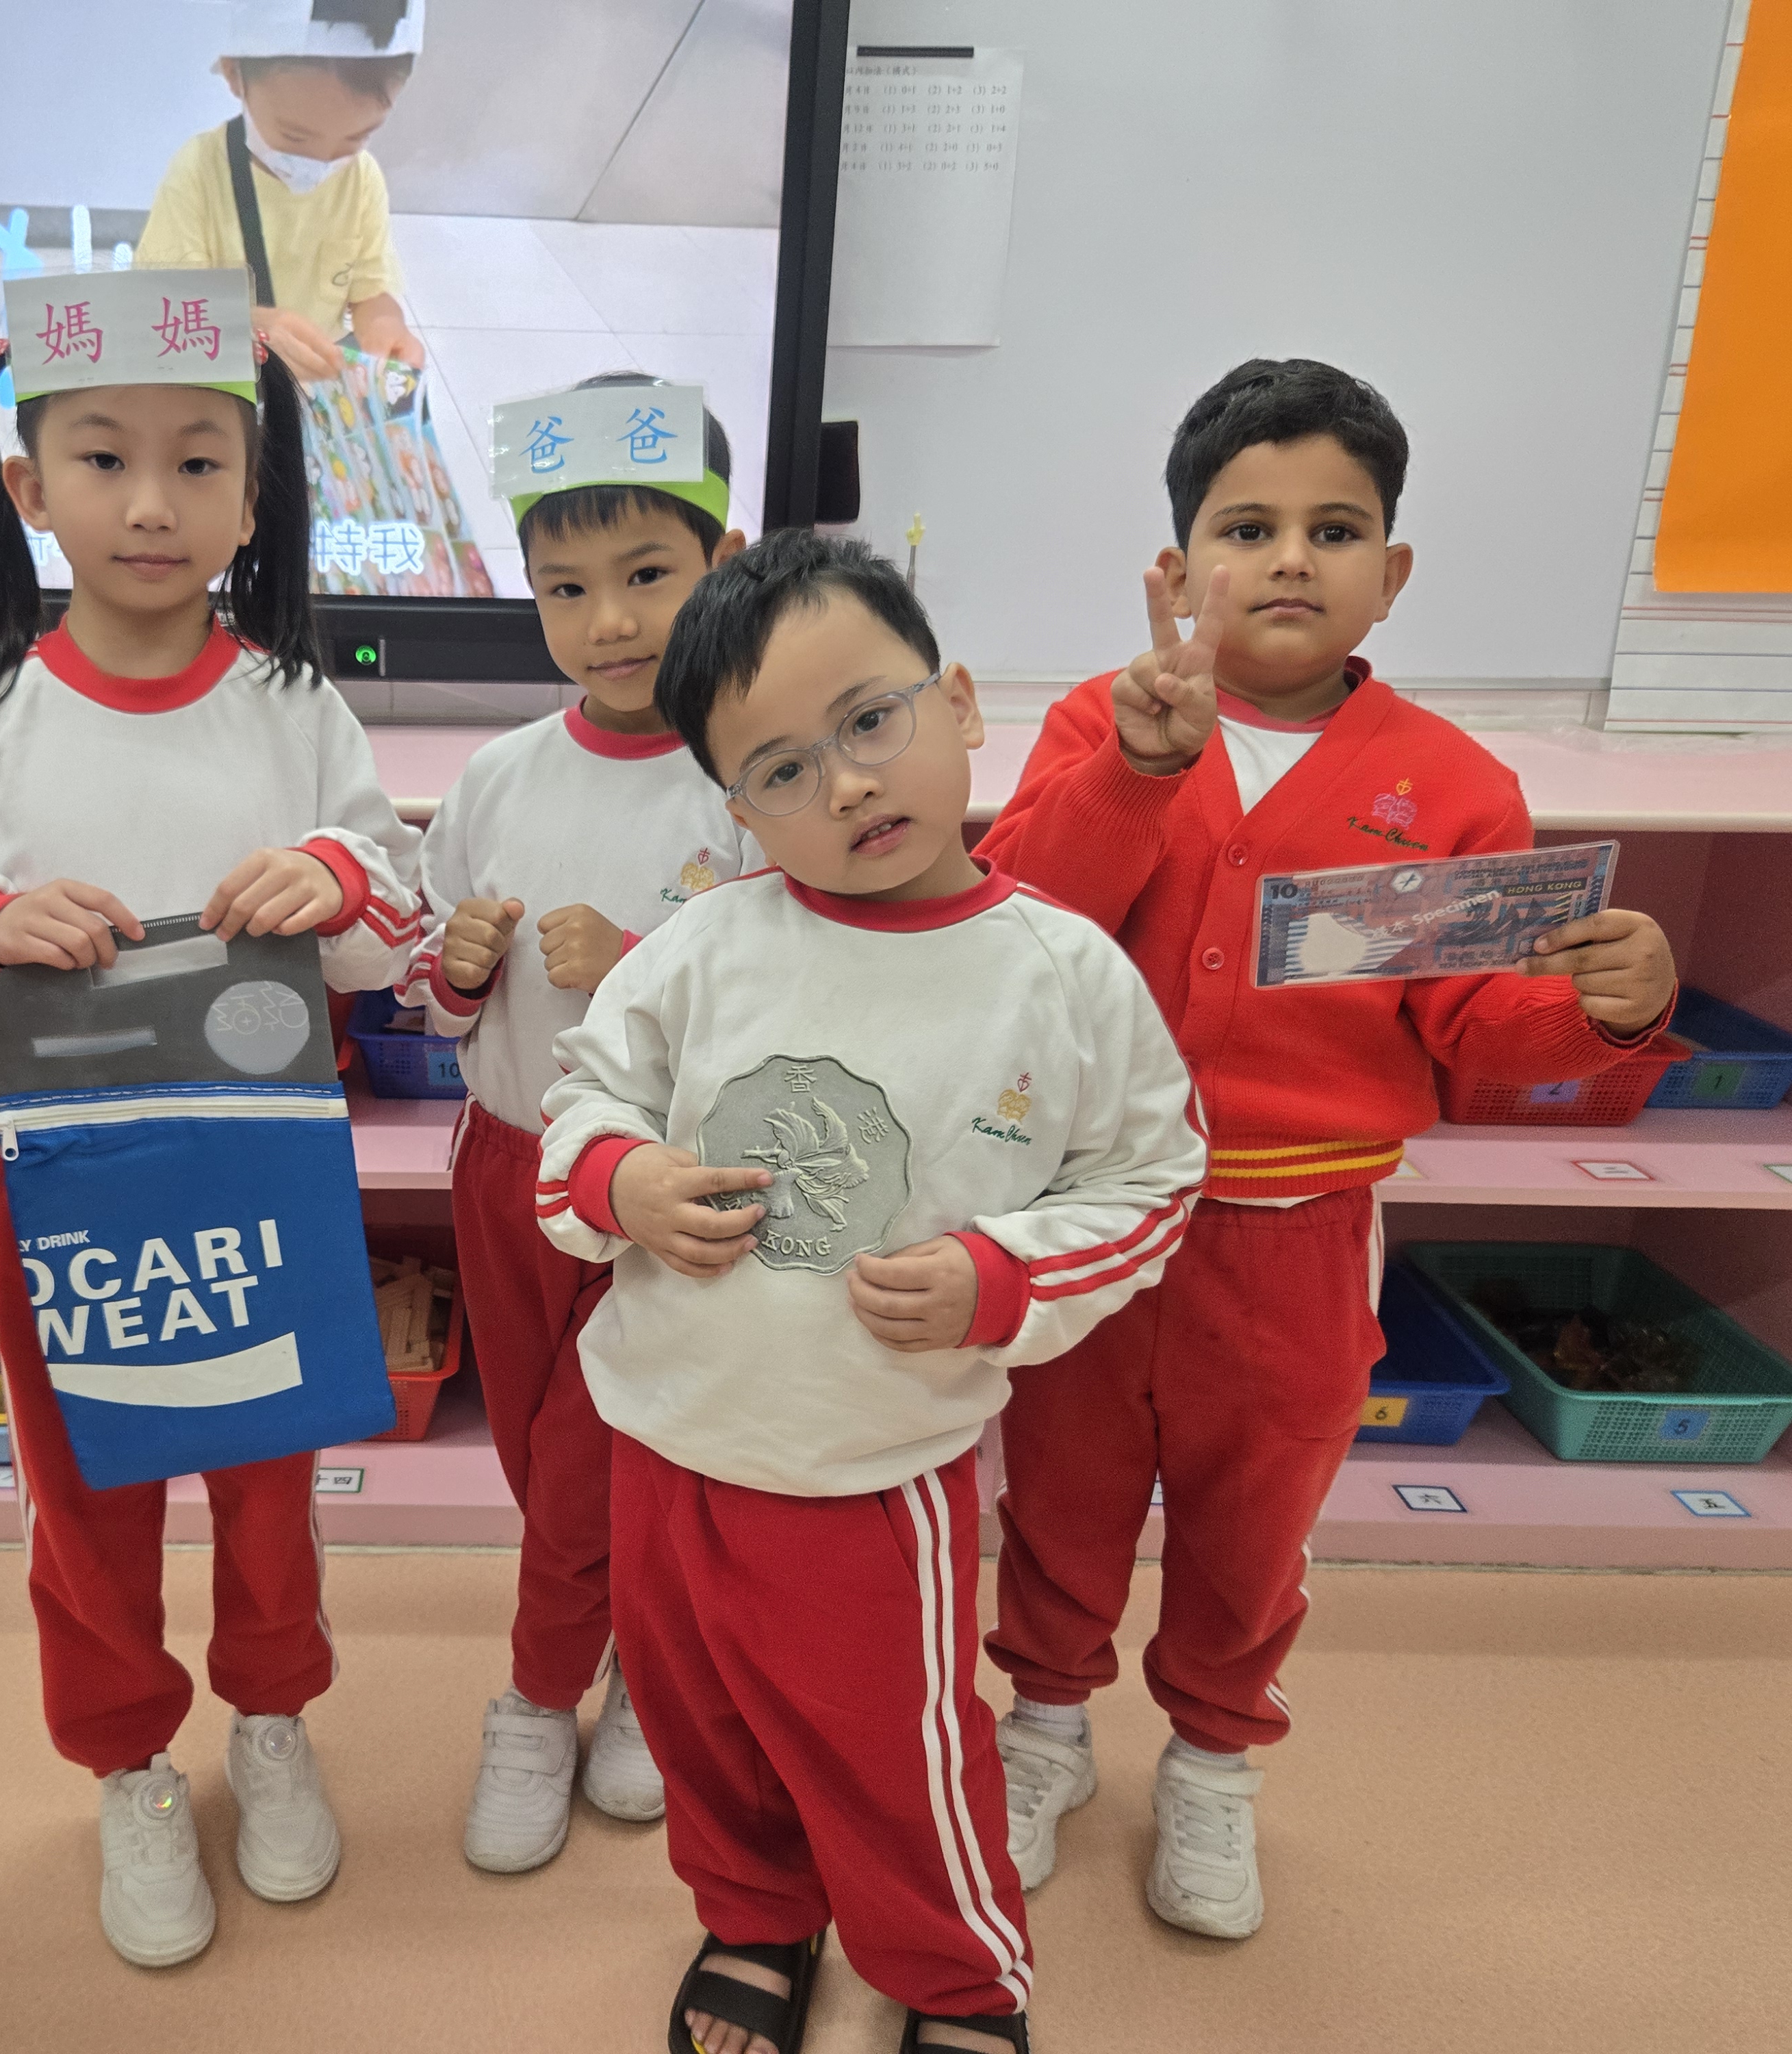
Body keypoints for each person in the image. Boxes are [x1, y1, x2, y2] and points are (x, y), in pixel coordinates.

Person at [973, 358, 1680, 1942]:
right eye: (1247, 528)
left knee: (1253, 1522)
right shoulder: (1102, 719)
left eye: (1333, 529)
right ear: (1177, 570)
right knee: (1062, 1494)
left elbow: (1478, 1029)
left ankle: (1213, 1760)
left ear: (1390, 571)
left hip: (1294, 1235)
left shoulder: (1451, 786)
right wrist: (1134, 769)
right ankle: (1043, 1729)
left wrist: (1605, 1009)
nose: (1290, 558)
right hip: (1087, 1215)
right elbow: (1015, 925)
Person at [538, 531, 1209, 2054]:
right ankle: (753, 1917)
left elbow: (1154, 1183)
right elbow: (581, 1104)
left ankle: (957, 1974)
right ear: (735, 808)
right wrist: (620, 1183)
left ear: (957, 703)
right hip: (665, 1437)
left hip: (870, 1467)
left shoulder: (1060, 971)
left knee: (893, 1750)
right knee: (700, 1722)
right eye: (781, 770)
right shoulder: (702, 946)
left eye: (868, 722)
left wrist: (999, 1273)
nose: (843, 785)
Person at [0, 266, 424, 1969]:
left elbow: (389, 925)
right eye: (103, 458)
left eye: (199, 462)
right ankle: (127, 1760)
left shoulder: (293, 703)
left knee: (271, 1485)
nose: (149, 502)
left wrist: (333, 871)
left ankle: (270, 1719)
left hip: (266, 1167)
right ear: (27, 485)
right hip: (65, 1181)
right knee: (86, 1501)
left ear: (252, 497)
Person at [393, 375, 752, 1873]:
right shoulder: (495, 776)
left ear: (724, 563)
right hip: (506, 1165)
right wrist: (459, 969)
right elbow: (427, 998)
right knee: (544, 1455)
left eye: (647, 575)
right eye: (564, 587)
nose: (608, 620)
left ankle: (544, 1698)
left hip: (664, 1184)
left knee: (606, 1451)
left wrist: (649, 962)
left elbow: (802, 999)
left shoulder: (752, 776)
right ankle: (632, 1665)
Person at [136, 0, 426, 386]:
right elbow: (161, 308)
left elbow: (372, 290)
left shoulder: (361, 177)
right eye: (295, 137)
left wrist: (385, 326)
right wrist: (245, 326)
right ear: (235, 75)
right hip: (222, 379)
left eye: (356, 138)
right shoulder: (199, 172)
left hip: (314, 387)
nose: (322, 161)